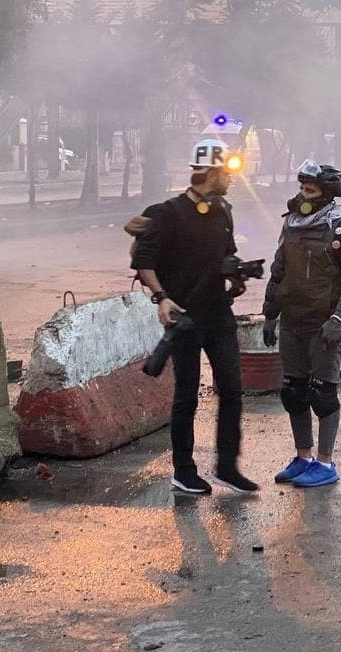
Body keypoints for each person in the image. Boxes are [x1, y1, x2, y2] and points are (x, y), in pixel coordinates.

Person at [131, 138, 259, 496]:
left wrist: (237, 274)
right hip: (184, 319)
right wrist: (162, 298)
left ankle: (228, 467)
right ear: (212, 172)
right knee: (186, 395)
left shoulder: (222, 211)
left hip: (219, 314)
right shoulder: (167, 213)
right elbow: (143, 262)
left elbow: (225, 254)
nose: (231, 180)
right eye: (227, 174)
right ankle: (183, 471)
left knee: (232, 390)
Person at [262, 162, 341, 489]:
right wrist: (269, 315)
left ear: (327, 193)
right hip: (292, 323)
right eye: (302, 187)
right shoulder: (292, 226)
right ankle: (303, 457)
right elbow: (278, 272)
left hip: (325, 327)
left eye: (311, 189)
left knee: (322, 394)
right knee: (294, 392)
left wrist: (339, 318)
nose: (304, 194)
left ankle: (325, 463)